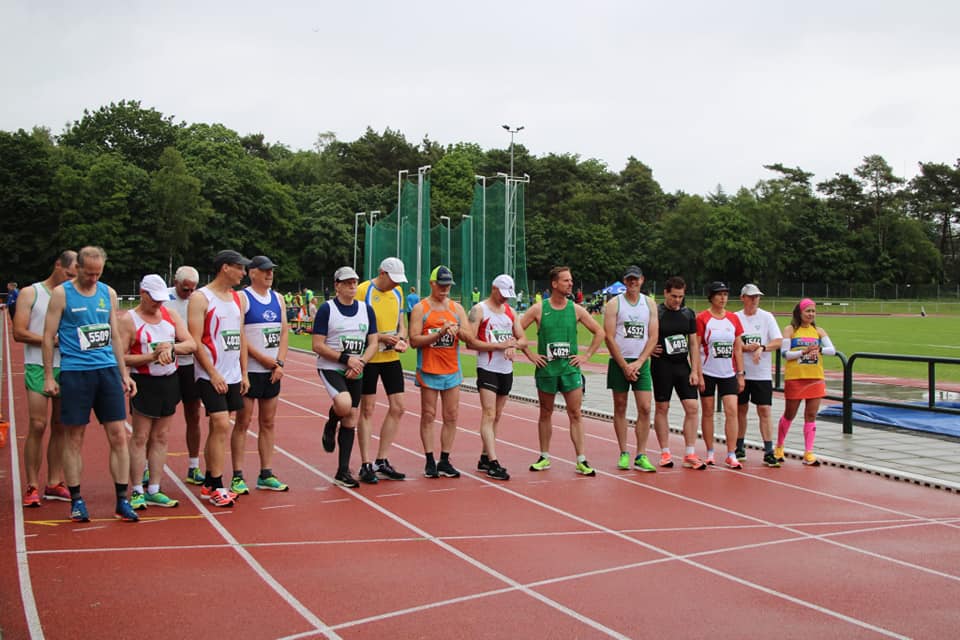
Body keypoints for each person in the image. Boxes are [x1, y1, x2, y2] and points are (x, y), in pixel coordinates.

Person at [41, 246, 139, 523]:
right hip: (75, 372)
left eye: (98, 274)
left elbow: (116, 337)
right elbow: (48, 337)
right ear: (78, 268)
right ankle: (76, 499)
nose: (94, 278)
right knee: (75, 437)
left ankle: (122, 499)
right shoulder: (62, 294)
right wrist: (49, 376)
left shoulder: (107, 293)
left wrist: (124, 373)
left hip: (106, 370)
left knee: (119, 435)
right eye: (89, 273)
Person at [520, 266, 604, 476]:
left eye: (571, 280)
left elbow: (599, 331)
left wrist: (585, 357)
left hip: (570, 371)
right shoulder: (539, 309)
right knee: (545, 413)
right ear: (554, 284)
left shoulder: (576, 309)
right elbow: (517, 329)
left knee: (575, 413)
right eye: (566, 280)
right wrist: (530, 355)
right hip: (547, 371)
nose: (570, 284)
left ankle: (581, 459)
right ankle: (544, 456)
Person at [120, 274, 196, 510]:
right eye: (154, 300)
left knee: (161, 437)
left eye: (162, 300)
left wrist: (172, 347)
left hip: (169, 380)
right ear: (143, 294)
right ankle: (136, 490)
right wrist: (151, 356)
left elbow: (191, 344)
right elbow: (121, 357)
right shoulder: (129, 320)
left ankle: (154, 487)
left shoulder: (169, 315)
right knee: (141, 437)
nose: (159, 305)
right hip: (143, 381)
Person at [13, 250, 77, 507]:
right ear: (57, 265)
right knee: (38, 425)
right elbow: (19, 332)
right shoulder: (32, 292)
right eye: (69, 273)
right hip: (38, 364)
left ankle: (54, 481)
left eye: (75, 276)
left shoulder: (73, 294)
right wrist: (51, 341)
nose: (71, 279)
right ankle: (31, 485)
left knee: (61, 425)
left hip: (68, 365)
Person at [188, 250, 251, 508]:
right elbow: (195, 340)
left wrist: (244, 372)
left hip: (233, 374)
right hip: (209, 373)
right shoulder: (201, 298)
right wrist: (212, 373)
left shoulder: (237, 298)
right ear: (225, 268)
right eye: (240, 268)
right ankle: (216, 483)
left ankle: (208, 483)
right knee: (221, 423)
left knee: (219, 428)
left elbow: (240, 336)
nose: (244, 273)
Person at [313, 266, 378, 488]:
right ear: (337, 286)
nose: (352, 286)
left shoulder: (366, 309)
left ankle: (342, 471)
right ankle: (331, 423)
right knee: (343, 404)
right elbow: (317, 345)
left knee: (351, 417)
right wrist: (345, 359)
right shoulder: (327, 309)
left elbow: (373, 342)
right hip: (332, 366)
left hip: (356, 368)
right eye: (347, 282)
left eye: (355, 282)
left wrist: (360, 363)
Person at [232, 256, 290, 493]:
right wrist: (261, 359)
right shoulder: (243, 298)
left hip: (272, 372)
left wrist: (279, 363)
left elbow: (284, 332)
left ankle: (266, 472)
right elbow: (239, 335)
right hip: (250, 371)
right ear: (252, 273)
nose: (269, 274)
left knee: (268, 422)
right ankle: (237, 475)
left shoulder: (278, 299)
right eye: (264, 271)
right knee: (243, 422)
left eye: (272, 271)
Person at [409, 265, 474, 478]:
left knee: (451, 415)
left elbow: (469, 337)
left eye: (448, 286)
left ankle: (444, 459)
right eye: (441, 285)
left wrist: (458, 331)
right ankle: (429, 459)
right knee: (428, 415)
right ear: (432, 284)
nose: (445, 289)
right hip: (429, 369)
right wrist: (439, 334)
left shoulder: (457, 309)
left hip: (452, 370)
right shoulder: (421, 308)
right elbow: (414, 340)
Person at [355, 257, 410, 484]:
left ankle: (382, 459)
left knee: (398, 407)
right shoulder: (362, 291)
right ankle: (366, 463)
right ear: (382, 273)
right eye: (393, 280)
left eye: (399, 281)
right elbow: (355, 325)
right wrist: (379, 338)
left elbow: (402, 322)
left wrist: (402, 339)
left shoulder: (397, 293)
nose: (396, 285)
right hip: (369, 357)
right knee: (367, 408)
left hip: (391, 356)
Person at [467, 274, 525, 481]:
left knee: (497, 415)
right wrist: (498, 346)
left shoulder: (511, 311)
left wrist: (513, 346)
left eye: (508, 295)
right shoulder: (479, 310)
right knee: (489, 414)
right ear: (493, 288)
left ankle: (483, 457)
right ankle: (493, 462)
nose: (505, 299)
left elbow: (523, 338)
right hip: (487, 367)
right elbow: (470, 342)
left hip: (506, 369)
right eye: (502, 294)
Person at [604, 265, 659, 472]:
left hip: (641, 362)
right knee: (620, 406)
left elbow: (653, 336)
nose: (632, 282)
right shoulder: (614, 304)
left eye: (635, 279)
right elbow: (609, 336)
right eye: (629, 279)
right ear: (625, 281)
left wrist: (639, 362)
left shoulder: (650, 304)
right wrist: (624, 365)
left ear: (642, 280)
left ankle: (641, 453)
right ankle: (623, 452)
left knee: (645, 407)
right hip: (619, 362)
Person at [650, 276, 705, 470]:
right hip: (661, 366)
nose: (677, 301)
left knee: (692, 407)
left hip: (682, 366)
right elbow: (644, 335)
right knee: (662, 408)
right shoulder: (656, 312)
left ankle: (690, 452)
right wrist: (648, 349)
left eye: (681, 297)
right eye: (674, 296)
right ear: (665, 293)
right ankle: (665, 452)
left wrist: (695, 370)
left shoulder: (688, 314)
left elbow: (693, 343)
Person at [777, 298, 836, 466]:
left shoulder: (818, 330)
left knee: (811, 415)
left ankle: (808, 452)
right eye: (807, 311)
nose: (811, 314)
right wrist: (802, 352)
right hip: (796, 377)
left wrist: (819, 349)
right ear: (800, 312)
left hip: (815, 377)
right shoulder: (790, 330)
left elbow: (832, 350)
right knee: (790, 414)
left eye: (813, 311)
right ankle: (779, 447)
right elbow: (785, 354)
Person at [696, 281, 746, 469]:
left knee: (732, 411)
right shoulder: (702, 318)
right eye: (719, 294)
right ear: (711, 297)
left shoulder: (733, 319)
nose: (723, 298)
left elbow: (738, 348)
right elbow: (696, 346)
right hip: (708, 372)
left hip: (728, 373)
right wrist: (698, 372)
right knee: (708, 411)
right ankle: (710, 452)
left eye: (725, 294)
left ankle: (731, 453)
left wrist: (740, 374)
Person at [164, 266, 205, 485]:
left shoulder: (198, 299)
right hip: (167, 364)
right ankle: (145, 468)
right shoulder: (164, 298)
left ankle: (193, 466)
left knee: (194, 415)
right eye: (184, 288)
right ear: (175, 282)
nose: (188, 293)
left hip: (191, 365)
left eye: (192, 289)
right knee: (160, 420)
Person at [735, 284, 783, 467]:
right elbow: (733, 342)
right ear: (743, 298)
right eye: (751, 296)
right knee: (741, 410)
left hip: (761, 374)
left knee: (764, 410)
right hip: (742, 372)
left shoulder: (766, 317)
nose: (754, 300)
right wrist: (744, 348)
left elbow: (778, 340)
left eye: (757, 296)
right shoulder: (736, 318)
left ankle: (769, 450)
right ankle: (739, 446)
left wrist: (763, 347)